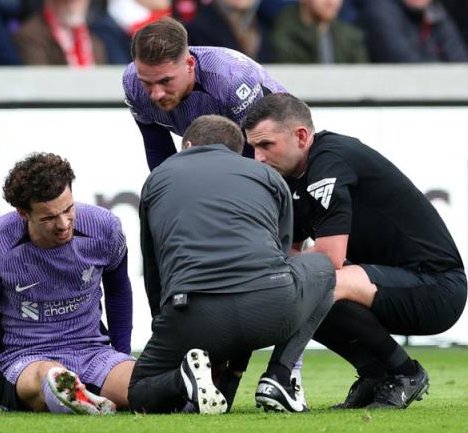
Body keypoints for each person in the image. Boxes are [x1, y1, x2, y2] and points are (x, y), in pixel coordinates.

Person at [243, 93, 468, 409]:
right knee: (294, 286)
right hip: (385, 282)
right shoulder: (289, 178)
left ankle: (404, 373)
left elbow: (330, 258)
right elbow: (288, 253)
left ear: (301, 136)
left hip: (437, 287)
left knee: (319, 282)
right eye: (253, 147)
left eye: (266, 145)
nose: (258, 157)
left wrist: (267, 268)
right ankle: (376, 374)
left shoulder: (330, 161)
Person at [128, 115, 335, 414]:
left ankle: (182, 379)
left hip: (190, 313)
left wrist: (166, 325)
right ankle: (279, 376)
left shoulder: (158, 177)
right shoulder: (267, 175)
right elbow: (281, 257)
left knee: (139, 393)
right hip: (272, 309)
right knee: (324, 269)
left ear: (187, 145)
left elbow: (154, 271)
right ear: (238, 152)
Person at [0, 153, 134, 414]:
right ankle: (65, 391)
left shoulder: (105, 227)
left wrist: (122, 357)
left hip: (93, 352)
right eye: (49, 218)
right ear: (22, 213)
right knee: (48, 374)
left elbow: (119, 292)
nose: (63, 224)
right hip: (26, 359)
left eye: (68, 209)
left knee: (142, 385)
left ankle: (178, 390)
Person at [122, 16, 287, 171]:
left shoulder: (229, 79)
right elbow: (157, 149)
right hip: (217, 140)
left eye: (166, 81)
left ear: (189, 64)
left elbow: (258, 152)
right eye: (147, 83)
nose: (156, 94)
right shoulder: (132, 83)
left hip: (278, 133)